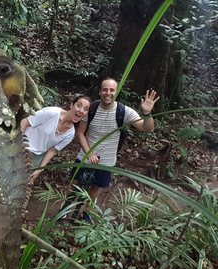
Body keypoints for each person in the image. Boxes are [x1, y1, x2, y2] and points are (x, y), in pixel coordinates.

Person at [69, 78, 159, 222]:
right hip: (85, 155)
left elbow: (148, 129)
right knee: (75, 184)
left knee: (95, 188)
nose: (108, 93)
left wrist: (147, 114)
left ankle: (87, 212)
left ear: (116, 92)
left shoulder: (123, 112)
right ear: (100, 92)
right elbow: (80, 133)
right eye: (105, 89)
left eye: (112, 90)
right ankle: (66, 208)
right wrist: (89, 153)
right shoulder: (91, 109)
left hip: (107, 160)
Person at [20, 95, 92, 182]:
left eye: (85, 109)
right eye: (79, 105)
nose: (81, 110)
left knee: (21, 185)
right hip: (21, 148)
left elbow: (52, 150)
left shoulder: (70, 133)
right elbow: (25, 122)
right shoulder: (52, 112)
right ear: (72, 105)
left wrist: (40, 169)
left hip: (36, 157)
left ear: (86, 114)